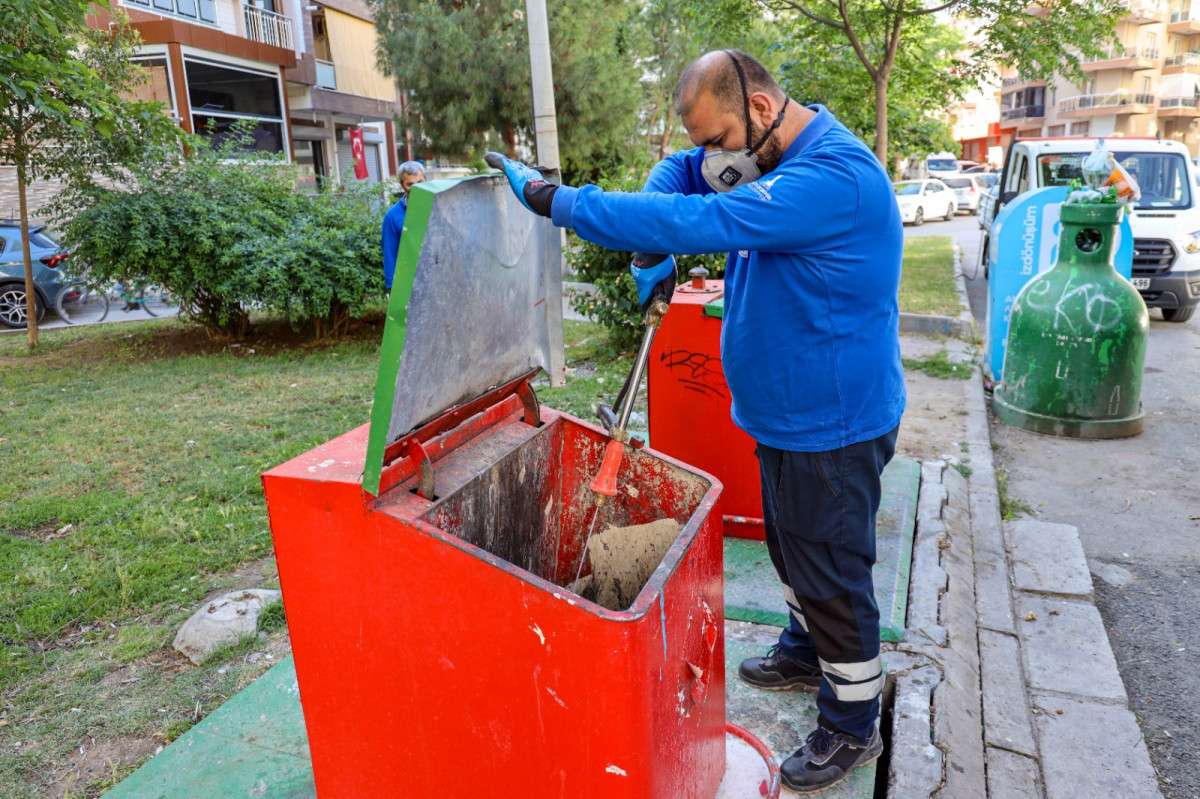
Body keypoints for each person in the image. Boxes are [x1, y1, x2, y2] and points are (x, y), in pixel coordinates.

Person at [486, 49, 904, 794]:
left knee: (833, 570)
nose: (707, 155)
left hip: (833, 424)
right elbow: (678, 178)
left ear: (764, 111)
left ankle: (851, 719)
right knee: (790, 541)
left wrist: (561, 202)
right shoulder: (763, 152)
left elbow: (697, 213)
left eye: (716, 139)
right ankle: (805, 645)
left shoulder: (832, 178)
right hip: (784, 416)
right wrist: (654, 243)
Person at [381, 161, 426, 290]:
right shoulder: (392, 216)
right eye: (410, 184)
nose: (417, 188)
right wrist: (392, 288)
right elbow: (389, 253)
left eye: (420, 182)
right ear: (402, 186)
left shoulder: (438, 207)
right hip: (410, 282)